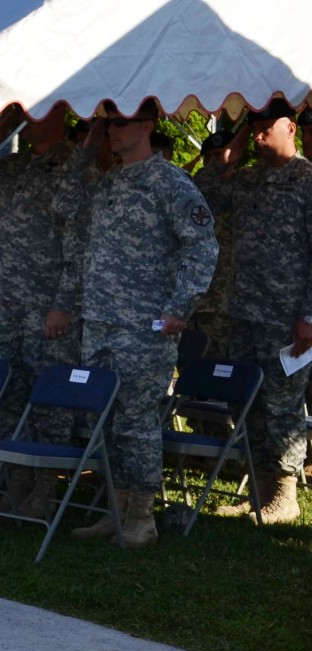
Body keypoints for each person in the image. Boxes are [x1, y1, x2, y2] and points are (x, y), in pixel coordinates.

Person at [68, 100, 217, 547]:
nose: (111, 130)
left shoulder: (171, 182)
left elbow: (203, 247)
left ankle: (142, 517)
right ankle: (116, 508)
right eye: (107, 123)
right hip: (100, 320)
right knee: (105, 421)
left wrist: (179, 308)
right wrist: (86, 146)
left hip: (143, 326)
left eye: (120, 122)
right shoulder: (109, 180)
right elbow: (65, 202)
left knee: (137, 421)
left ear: (148, 125)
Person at [0, 102, 80, 516]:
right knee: (6, 396)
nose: (29, 117)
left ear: (60, 113)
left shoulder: (77, 166)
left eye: (38, 110)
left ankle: (46, 489)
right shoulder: (9, 165)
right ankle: (14, 480)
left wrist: (64, 304)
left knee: (50, 400)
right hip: (5, 305)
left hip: (49, 307)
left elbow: (81, 245)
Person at [217, 98, 312, 523]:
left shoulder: (308, 180)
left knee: (282, 403)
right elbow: (202, 199)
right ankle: (259, 489)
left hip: (287, 315)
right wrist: (227, 157)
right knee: (247, 399)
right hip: (243, 309)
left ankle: (285, 495)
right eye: (250, 128)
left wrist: (309, 315)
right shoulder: (246, 180)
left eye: (262, 127)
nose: (256, 136)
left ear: (290, 128)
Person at [189, 127, 246, 357]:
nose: (215, 162)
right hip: (192, 300)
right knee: (190, 367)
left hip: (224, 303)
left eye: (221, 155)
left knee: (221, 367)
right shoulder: (192, 190)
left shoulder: (245, 188)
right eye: (209, 157)